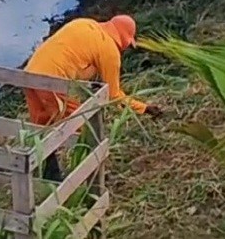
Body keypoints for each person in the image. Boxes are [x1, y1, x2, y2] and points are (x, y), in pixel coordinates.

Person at [24, 15, 159, 179]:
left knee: (43, 125)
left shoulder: (86, 24)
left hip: (29, 74)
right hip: (53, 80)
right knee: (82, 127)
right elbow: (114, 96)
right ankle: (94, 174)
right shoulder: (109, 49)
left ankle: (50, 173)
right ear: (124, 38)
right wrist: (144, 108)